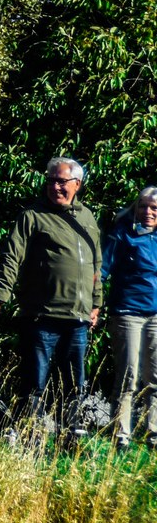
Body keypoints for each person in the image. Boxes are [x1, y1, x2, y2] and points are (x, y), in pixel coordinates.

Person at [0, 156, 104, 434]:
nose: (55, 187)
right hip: (42, 315)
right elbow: (11, 256)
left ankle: (71, 436)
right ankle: (28, 433)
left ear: (77, 184)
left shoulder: (87, 217)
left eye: (61, 181)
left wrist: (96, 303)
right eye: (50, 181)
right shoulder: (32, 216)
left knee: (74, 383)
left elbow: (96, 265)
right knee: (34, 381)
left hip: (77, 317)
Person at [103, 187, 157, 448]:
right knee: (129, 376)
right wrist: (93, 303)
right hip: (128, 312)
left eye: (154, 208)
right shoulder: (122, 234)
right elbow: (102, 269)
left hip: (155, 315)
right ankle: (121, 435)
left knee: (155, 378)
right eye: (143, 206)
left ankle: (153, 434)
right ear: (135, 209)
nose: (148, 212)